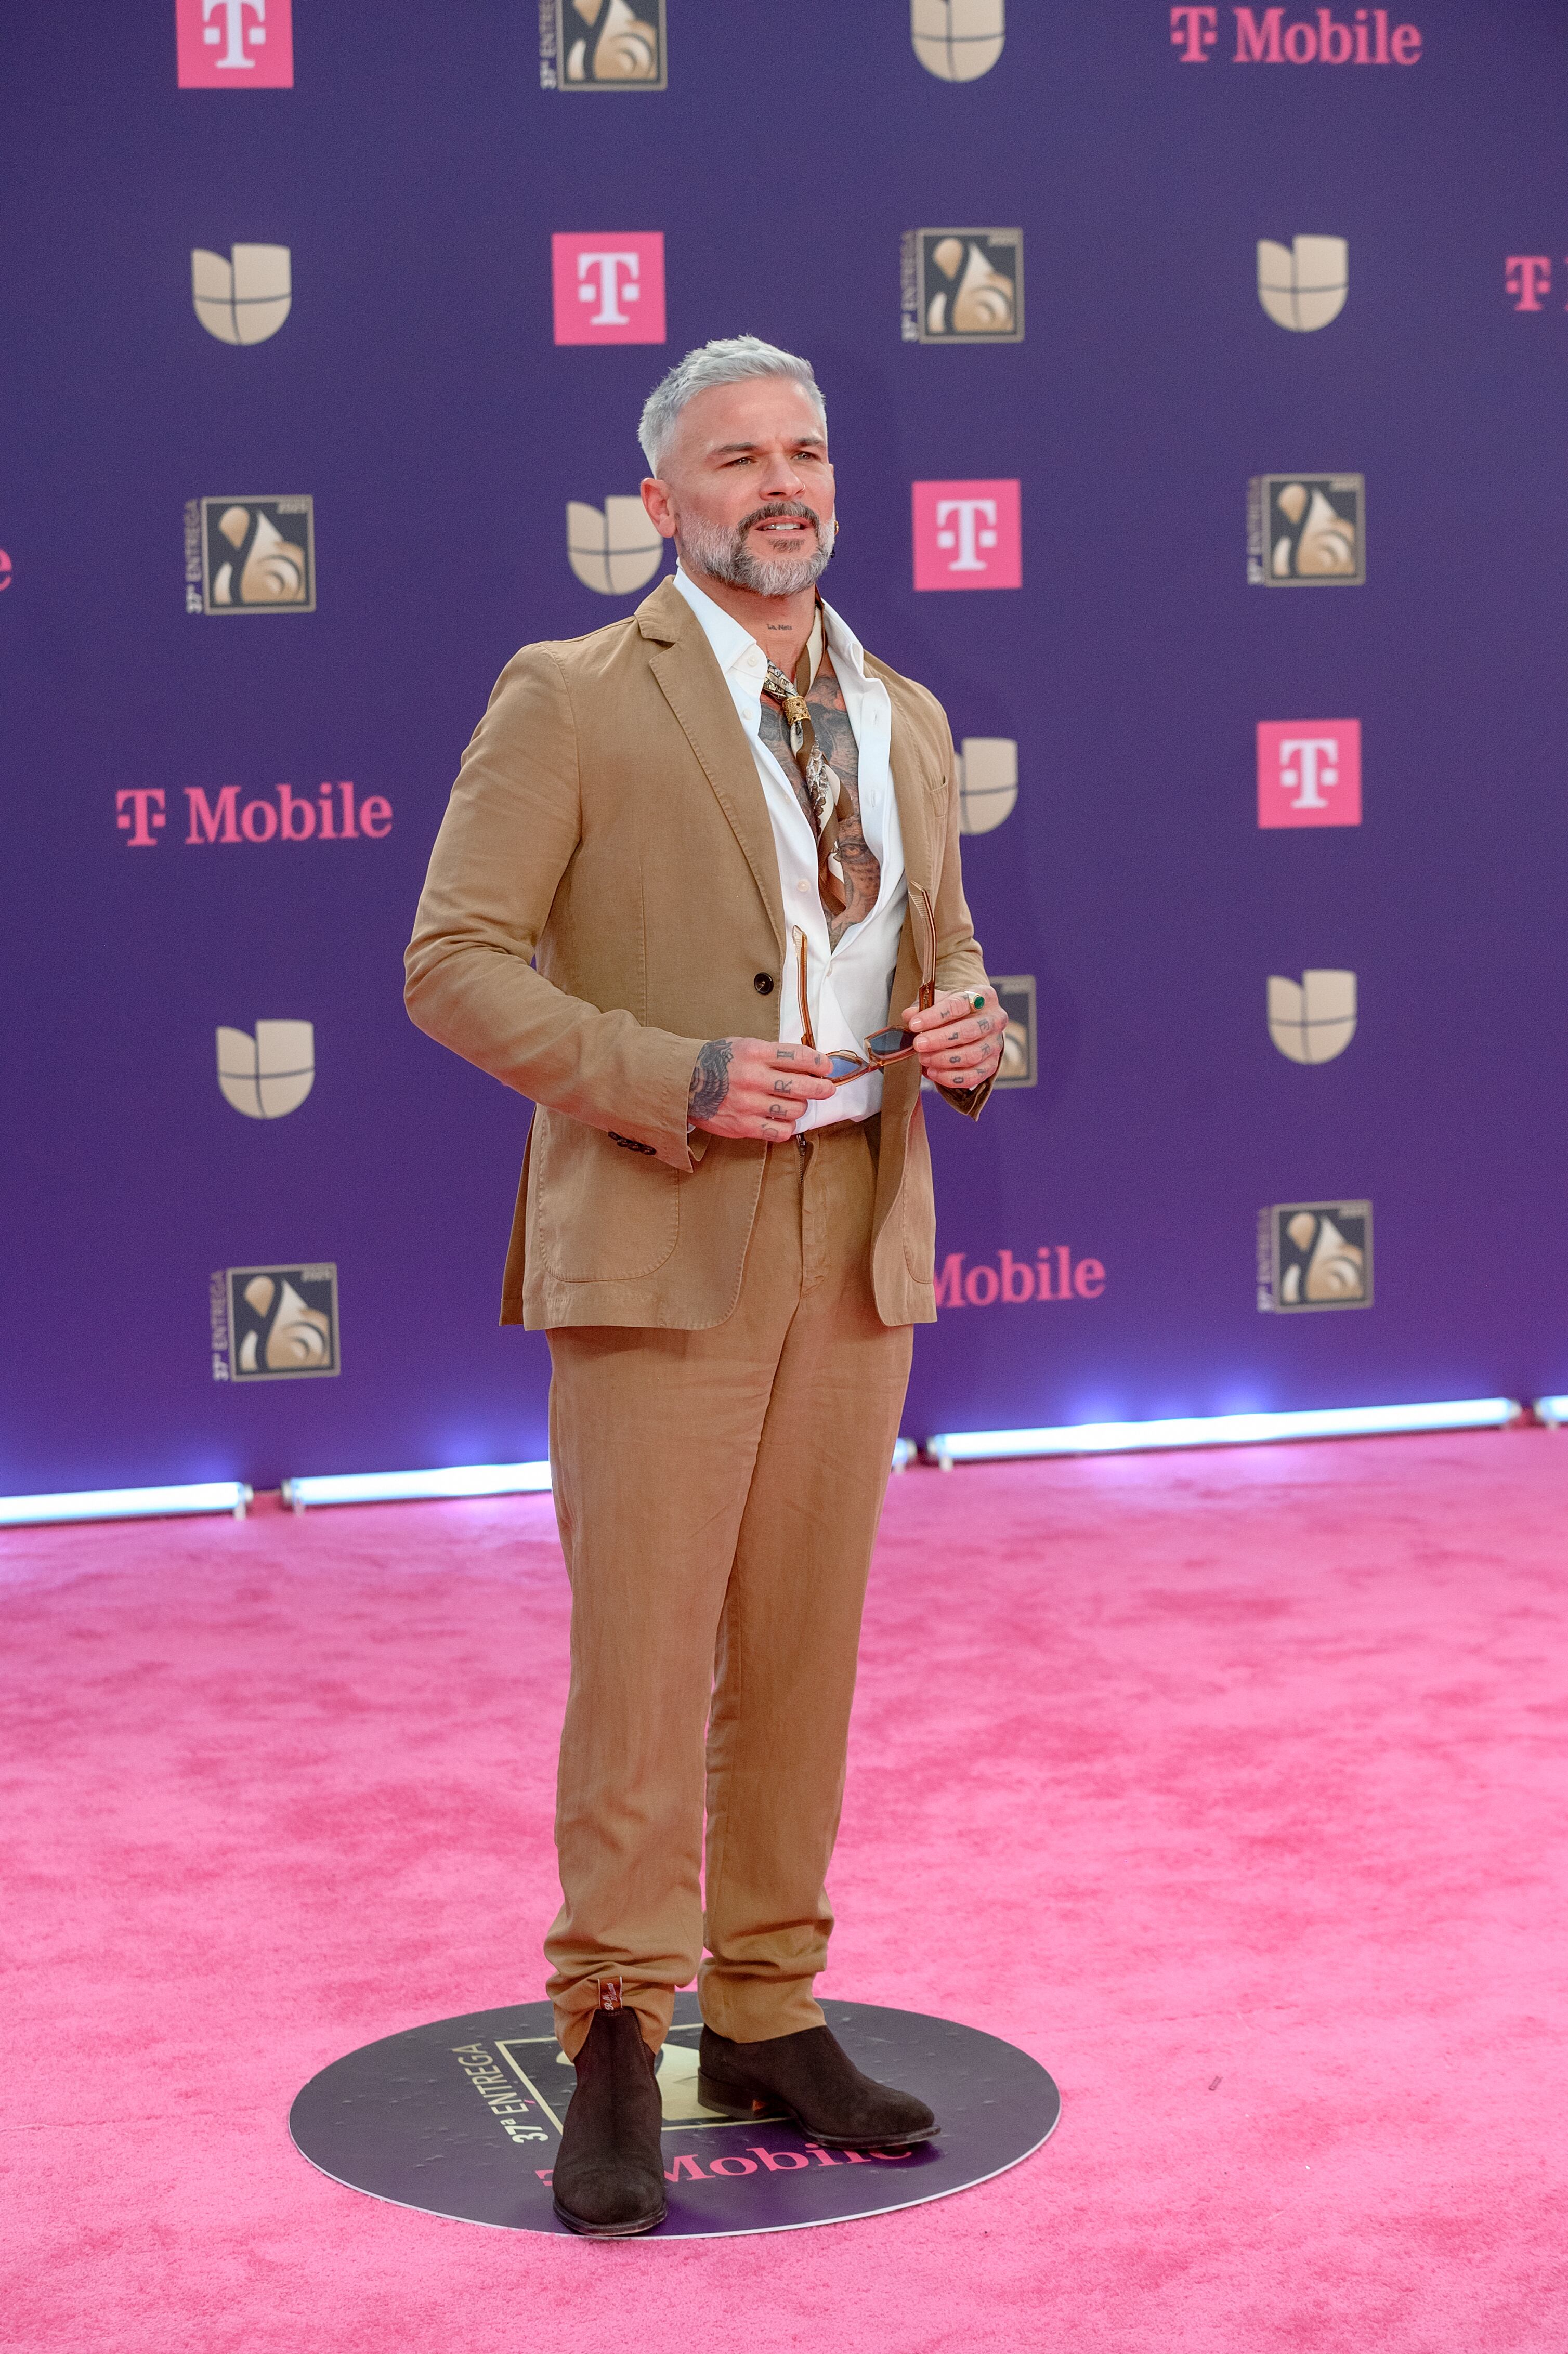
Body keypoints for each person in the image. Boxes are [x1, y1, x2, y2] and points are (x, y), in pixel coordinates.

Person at [404, 336, 1006, 2237]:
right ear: (659, 502)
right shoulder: (572, 695)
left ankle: (765, 2005)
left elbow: (950, 968)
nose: (783, 482)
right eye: (737, 457)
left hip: (856, 1236)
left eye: (805, 451)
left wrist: (975, 1038)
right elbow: (454, 963)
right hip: (663, 1229)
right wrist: (664, 1074)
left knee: (804, 1658)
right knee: (648, 1659)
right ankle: (613, 2025)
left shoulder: (905, 713)